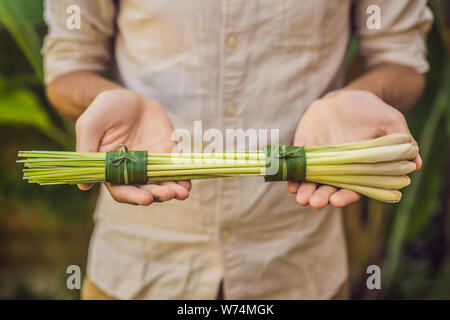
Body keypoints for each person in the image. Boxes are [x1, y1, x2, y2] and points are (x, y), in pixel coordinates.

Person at [43, 0, 432, 299]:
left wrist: (358, 95)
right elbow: (69, 65)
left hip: (299, 268)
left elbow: (399, 59)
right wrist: (107, 97)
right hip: (135, 266)